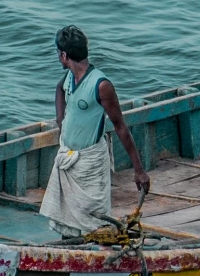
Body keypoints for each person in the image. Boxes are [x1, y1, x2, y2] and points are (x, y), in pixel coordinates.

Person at [40, 25, 151, 239]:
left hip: (90, 163)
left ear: (64, 55)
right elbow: (59, 89)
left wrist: (139, 170)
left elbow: (120, 127)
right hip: (69, 159)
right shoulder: (69, 78)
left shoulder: (101, 85)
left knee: (94, 223)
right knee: (68, 224)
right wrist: (60, 120)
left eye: (58, 53)